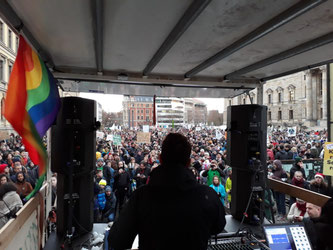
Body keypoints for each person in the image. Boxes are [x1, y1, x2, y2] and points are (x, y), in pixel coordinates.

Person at [108, 133, 226, 250]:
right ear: (189, 162)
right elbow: (218, 226)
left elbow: (117, 240)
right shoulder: (207, 195)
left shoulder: (141, 196)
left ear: (160, 159)